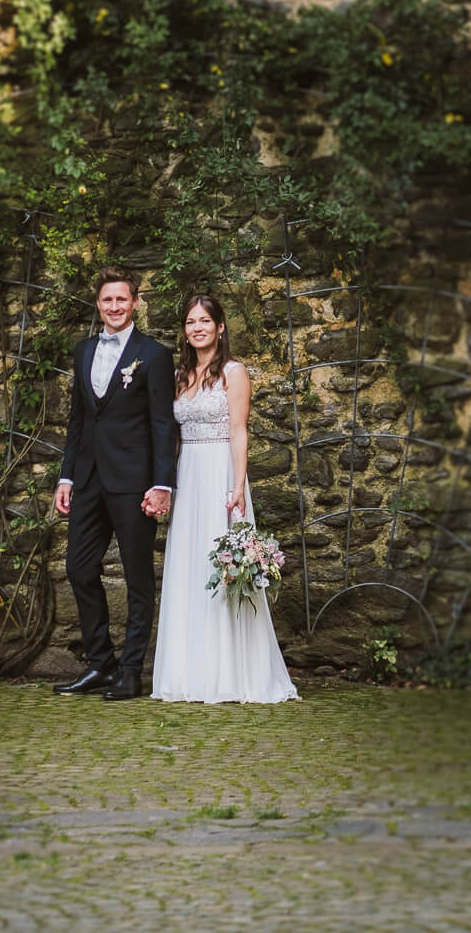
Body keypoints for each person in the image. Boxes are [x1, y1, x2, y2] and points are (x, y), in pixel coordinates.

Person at [151, 293, 298, 704]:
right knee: (189, 567)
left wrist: (238, 485)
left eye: (204, 321)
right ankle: (189, 672)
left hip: (219, 473)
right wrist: (163, 483)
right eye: (190, 322)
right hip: (188, 475)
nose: (197, 328)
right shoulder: (180, 376)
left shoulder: (234, 372)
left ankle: (231, 673)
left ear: (220, 328)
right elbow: (173, 437)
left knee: (223, 569)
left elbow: (238, 430)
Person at [52, 267, 176, 702]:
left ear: (136, 302)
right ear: (99, 304)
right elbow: (78, 420)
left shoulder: (155, 355)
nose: (114, 307)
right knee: (79, 569)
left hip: (133, 482)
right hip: (87, 480)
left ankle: (130, 671)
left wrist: (162, 483)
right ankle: (100, 664)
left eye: (122, 299)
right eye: (107, 300)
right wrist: (66, 475)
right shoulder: (82, 351)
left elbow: (163, 423)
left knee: (138, 577)